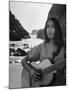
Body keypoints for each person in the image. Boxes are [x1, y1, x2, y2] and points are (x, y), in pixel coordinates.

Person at [21, 17, 66, 87]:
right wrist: (30, 70)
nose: (49, 30)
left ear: (57, 29)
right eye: (47, 27)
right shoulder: (41, 47)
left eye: (53, 27)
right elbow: (24, 61)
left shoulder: (64, 46)